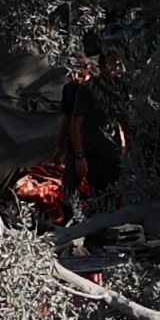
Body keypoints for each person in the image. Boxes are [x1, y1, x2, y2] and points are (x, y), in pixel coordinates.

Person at [58, 46, 136, 210]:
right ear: (100, 66)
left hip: (110, 149)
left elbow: (123, 116)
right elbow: (74, 122)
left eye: (116, 66)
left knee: (108, 194)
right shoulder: (87, 89)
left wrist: (128, 141)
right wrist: (79, 155)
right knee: (71, 190)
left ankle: (103, 227)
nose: (112, 70)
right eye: (109, 66)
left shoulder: (121, 88)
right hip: (89, 149)